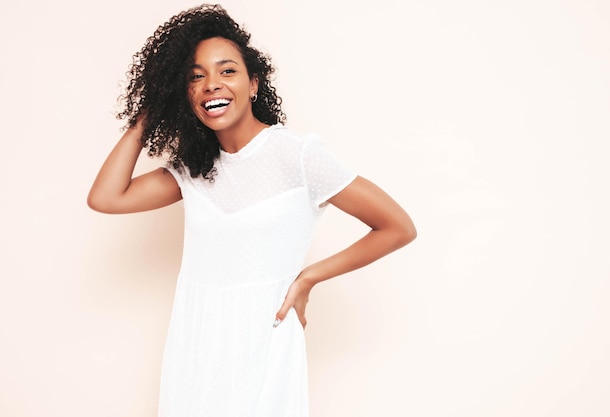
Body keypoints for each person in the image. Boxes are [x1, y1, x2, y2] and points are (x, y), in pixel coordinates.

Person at [87, 4, 416, 417]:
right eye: (195, 77)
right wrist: (152, 109)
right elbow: (106, 198)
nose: (211, 84)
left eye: (227, 71)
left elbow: (397, 226)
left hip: (266, 340)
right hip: (197, 343)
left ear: (254, 83)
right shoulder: (194, 168)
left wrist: (309, 277)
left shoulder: (296, 155)